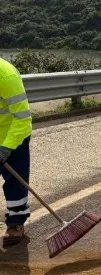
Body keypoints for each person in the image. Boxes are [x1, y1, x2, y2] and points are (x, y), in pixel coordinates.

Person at [0, 56, 33, 247]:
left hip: (13, 136)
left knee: (15, 181)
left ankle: (16, 223)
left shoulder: (6, 75)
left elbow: (22, 118)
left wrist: (5, 147)